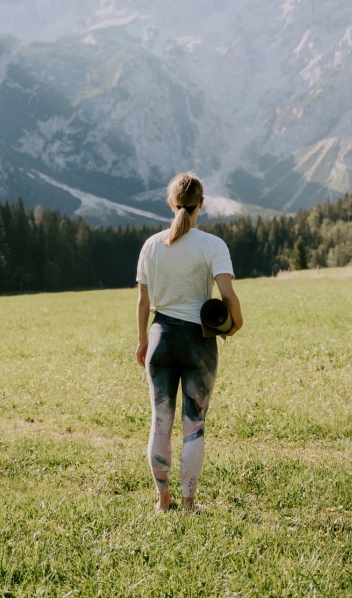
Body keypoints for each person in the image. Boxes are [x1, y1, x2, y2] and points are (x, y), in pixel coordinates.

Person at [135, 172, 243, 513]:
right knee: (193, 425)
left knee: (159, 422)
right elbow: (227, 294)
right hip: (199, 340)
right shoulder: (213, 245)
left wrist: (141, 341)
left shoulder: (151, 245)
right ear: (202, 205)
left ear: (171, 203)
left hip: (160, 337)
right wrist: (235, 324)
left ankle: (162, 500)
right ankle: (188, 502)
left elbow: (142, 302)